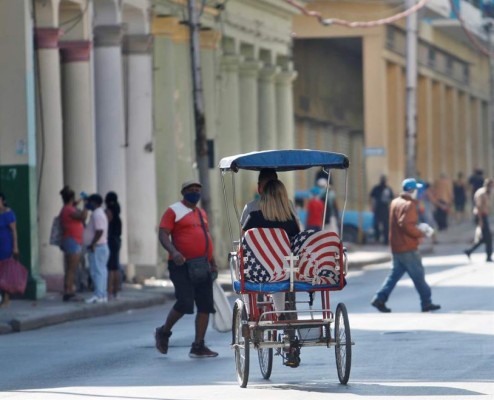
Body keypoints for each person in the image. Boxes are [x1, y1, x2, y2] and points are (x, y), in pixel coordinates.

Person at [155, 180, 219, 358]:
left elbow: (205, 237)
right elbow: (163, 233)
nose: (195, 192)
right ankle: (164, 332)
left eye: (198, 189)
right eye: (191, 190)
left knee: (205, 305)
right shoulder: (173, 210)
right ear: (183, 192)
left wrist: (212, 261)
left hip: (202, 264)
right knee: (184, 302)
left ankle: (198, 345)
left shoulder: (201, 213)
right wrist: (174, 252)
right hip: (181, 264)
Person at [242, 178, 301, 367]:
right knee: (287, 288)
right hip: (283, 273)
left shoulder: (253, 218)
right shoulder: (290, 221)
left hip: (258, 273)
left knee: (246, 277)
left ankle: (252, 318)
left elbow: (245, 245)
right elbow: (297, 244)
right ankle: (291, 345)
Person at [371, 178, 441, 313]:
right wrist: (421, 233)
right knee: (418, 276)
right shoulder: (409, 205)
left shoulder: (395, 202)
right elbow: (406, 225)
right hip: (407, 247)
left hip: (396, 246)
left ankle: (379, 298)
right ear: (412, 191)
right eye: (417, 190)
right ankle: (427, 302)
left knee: (394, 276)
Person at [59, 186, 87, 302]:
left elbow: (73, 204)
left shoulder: (67, 208)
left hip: (71, 240)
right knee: (72, 268)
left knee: (70, 268)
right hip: (72, 240)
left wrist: (79, 199)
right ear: (71, 198)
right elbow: (82, 216)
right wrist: (86, 204)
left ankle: (69, 290)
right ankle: (69, 291)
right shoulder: (69, 210)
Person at [83, 194, 110, 304]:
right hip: (101, 246)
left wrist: (92, 244)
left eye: (89, 202)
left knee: (96, 272)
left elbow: (99, 231)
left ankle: (98, 295)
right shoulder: (99, 213)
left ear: (94, 203)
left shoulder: (97, 214)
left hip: (97, 247)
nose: (88, 204)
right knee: (101, 272)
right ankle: (102, 295)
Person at [464, 178, 494, 262]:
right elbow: (478, 207)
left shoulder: (488, 193)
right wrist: (480, 220)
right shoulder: (481, 193)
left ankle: (469, 251)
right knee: (488, 237)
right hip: (480, 216)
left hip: (484, 215)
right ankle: (488, 256)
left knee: (485, 238)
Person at [0, 193, 19, 307]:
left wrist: (15, 247)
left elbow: (14, 231)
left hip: (6, 245)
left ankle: (6, 298)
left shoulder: (8, 213)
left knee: (5, 273)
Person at [105, 191, 122, 300]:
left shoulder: (109, 211)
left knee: (111, 267)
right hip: (117, 240)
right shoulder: (117, 212)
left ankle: (110, 291)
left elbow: (106, 223)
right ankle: (115, 290)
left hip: (111, 240)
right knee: (115, 266)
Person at [369, 175, 394, 244]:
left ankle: (386, 241)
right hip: (377, 209)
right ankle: (377, 238)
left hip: (385, 210)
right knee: (376, 225)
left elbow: (391, 199)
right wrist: (372, 206)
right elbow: (372, 198)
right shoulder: (376, 188)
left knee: (386, 226)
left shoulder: (388, 189)